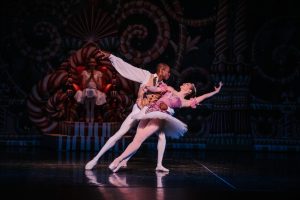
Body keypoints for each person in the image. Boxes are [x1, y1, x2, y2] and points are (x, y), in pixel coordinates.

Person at [85, 50, 173, 172]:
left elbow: (168, 101)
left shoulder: (164, 86)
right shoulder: (147, 76)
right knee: (120, 133)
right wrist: (111, 57)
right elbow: (128, 68)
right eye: (168, 72)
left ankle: (157, 164)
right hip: (138, 111)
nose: (169, 74)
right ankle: (96, 159)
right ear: (162, 70)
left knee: (157, 136)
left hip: (150, 113)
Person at [108, 81, 223, 173]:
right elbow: (157, 89)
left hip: (160, 117)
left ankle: (117, 160)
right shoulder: (170, 89)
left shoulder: (184, 101)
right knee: (136, 140)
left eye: (187, 84)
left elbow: (201, 98)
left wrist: (215, 92)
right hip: (148, 111)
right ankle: (122, 161)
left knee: (139, 140)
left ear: (189, 91)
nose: (184, 83)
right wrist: (148, 88)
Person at [74, 58, 107, 123]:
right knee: (87, 92)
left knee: (92, 92)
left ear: (95, 63)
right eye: (91, 62)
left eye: (93, 62)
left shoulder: (98, 73)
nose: (92, 64)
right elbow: (83, 86)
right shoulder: (85, 72)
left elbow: (99, 87)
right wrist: (89, 77)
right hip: (86, 90)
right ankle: (87, 113)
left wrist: (94, 78)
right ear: (89, 63)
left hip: (95, 90)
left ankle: (92, 113)